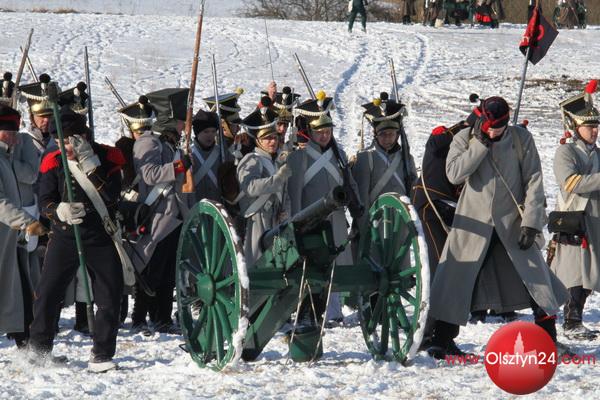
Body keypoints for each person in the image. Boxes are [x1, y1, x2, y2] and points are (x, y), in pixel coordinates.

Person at [427, 96, 569, 359]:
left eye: (499, 128)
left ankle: (548, 339)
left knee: (536, 279)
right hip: (473, 223)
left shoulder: (521, 139)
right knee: (458, 280)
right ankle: (442, 339)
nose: (494, 132)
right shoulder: (464, 139)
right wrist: (480, 145)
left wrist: (531, 222)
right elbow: (454, 174)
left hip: (512, 222)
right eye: (490, 128)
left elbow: (534, 180)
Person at [29, 105, 125, 372]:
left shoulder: (108, 157)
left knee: (110, 293)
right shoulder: (54, 161)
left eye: (71, 141)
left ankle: (102, 354)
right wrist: (58, 211)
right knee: (48, 293)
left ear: (84, 136)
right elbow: (45, 201)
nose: (66, 147)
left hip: (100, 234)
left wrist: (92, 167)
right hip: (65, 236)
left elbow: (112, 197)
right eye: (61, 141)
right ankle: (39, 351)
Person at [286, 91, 361, 327]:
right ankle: (309, 312)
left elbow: (350, 183)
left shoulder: (338, 155)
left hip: (336, 219)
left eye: (328, 131)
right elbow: (295, 194)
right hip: (311, 221)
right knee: (313, 268)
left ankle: (334, 311)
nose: (324, 135)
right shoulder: (299, 158)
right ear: (310, 131)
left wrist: (357, 207)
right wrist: (296, 224)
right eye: (319, 131)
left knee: (336, 264)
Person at [129, 88, 190, 334]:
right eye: (180, 120)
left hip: (173, 216)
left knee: (167, 273)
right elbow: (149, 174)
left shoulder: (170, 144)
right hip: (155, 214)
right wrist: (178, 166)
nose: (183, 126)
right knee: (150, 270)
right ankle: (139, 318)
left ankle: (162, 318)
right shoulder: (148, 142)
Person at [549, 81, 600, 340]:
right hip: (574, 219)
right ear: (576, 128)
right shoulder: (565, 152)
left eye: (596, 126)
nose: (595, 131)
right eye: (590, 126)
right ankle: (571, 321)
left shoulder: (598, 153)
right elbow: (570, 183)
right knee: (575, 272)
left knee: (590, 273)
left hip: (595, 220)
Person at [0, 104, 48, 349]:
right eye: (11, 132)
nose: (16, 138)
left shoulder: (5, 157)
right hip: (7, 235)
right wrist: (27, 222)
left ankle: (28, 346)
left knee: (21, 292)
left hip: (11, 237)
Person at [237, 99, 290, 265]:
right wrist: (277, 179)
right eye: (267, 138)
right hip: (256, 219)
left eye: (274, 137)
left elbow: (285, 194)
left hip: (276, 219)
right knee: (256, 264)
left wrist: (286, 211)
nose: (273, 141)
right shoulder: (251, 159)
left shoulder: (277, 161)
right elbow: (249, 187)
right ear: (257, 140)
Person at [353, 92, 416, 229]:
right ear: (375, 134)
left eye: (391, 134)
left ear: (397, 134)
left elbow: (414, 192)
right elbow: (362, 198)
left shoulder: (407, 158)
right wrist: (364, 231)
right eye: (383, 134)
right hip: (375, 225)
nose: (387, 138)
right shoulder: (366, 158)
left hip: (401, 224)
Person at [188, 108, 228, 204]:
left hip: (218, 207)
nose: (210, 135)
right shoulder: (188, 154)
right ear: (197, 133)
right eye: (206, 131)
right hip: (196, 206)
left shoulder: (222, 153)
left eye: (213, 131)